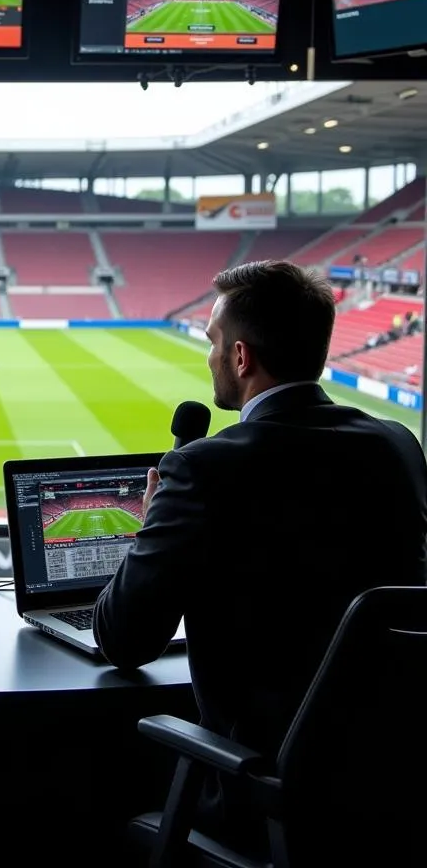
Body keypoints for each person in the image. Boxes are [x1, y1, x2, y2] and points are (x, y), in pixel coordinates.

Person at [93, 260, 427, 855]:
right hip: (397, 785)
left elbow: (124, 637)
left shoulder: (203, 467)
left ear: (241, 357)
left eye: (213, 343)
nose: (210, 357)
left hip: (259, 796)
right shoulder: (398, 446)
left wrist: (152, 524)